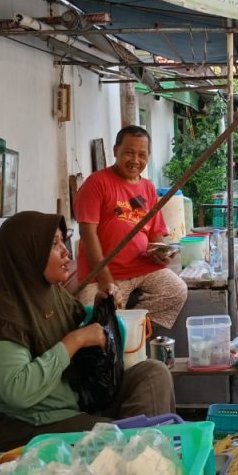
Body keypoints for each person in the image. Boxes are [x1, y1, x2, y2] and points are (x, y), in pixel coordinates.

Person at [0, 211, 175, 453]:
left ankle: (149, 459)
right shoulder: (0, 314)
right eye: (53, 245)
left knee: (153, 374)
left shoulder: (51, 293)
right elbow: (18, 391)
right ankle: (139, 465)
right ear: (27, 254)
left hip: (68, 402)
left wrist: (102, 307)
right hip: (21, 425)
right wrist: (75, 340)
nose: (65, 251)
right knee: (111, 437)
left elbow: (81, 328)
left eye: (63, 240)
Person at [74, 125, 187, 329]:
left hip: (143, 268)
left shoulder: (148, 188)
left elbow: (155, 234)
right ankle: (120, 334)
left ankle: (135, 331)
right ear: (116, 150)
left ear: (148, 156)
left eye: (142, 155)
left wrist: (158, 253)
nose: (135, 161)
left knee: (176, 290)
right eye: (129, 153)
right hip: (104, 272)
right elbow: (87, 233)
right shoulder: (96, 183)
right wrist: (105, 279)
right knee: (95, 317)